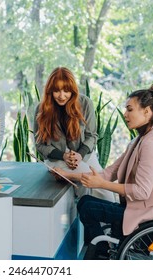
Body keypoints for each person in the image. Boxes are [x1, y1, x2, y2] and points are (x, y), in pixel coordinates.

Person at [52, 82, 153, 259]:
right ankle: (103, 252)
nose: (125, 115)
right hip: (137, 207)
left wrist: (102, 184)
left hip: (150, 215)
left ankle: (101, 254)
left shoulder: (152, 144)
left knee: (88, 208)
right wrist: (67, 174)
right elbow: (108, 173)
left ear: (147, 112)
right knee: (86, 202)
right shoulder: (138, 141)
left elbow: (141, 191)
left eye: (129, 109)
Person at [34, 67, 115, 201]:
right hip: (57, 158)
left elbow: (92, 136)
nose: (61, 95)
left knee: (105, 192)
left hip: (85, 154)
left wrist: (80, 155)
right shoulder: (41, 109)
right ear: (50, 90)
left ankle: (108, 221)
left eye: (66, 90)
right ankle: (84, 215)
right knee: (84, 184)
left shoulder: (85, 103)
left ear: (72, 90)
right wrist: (64, 156)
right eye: (56, 90)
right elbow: (40, 145)